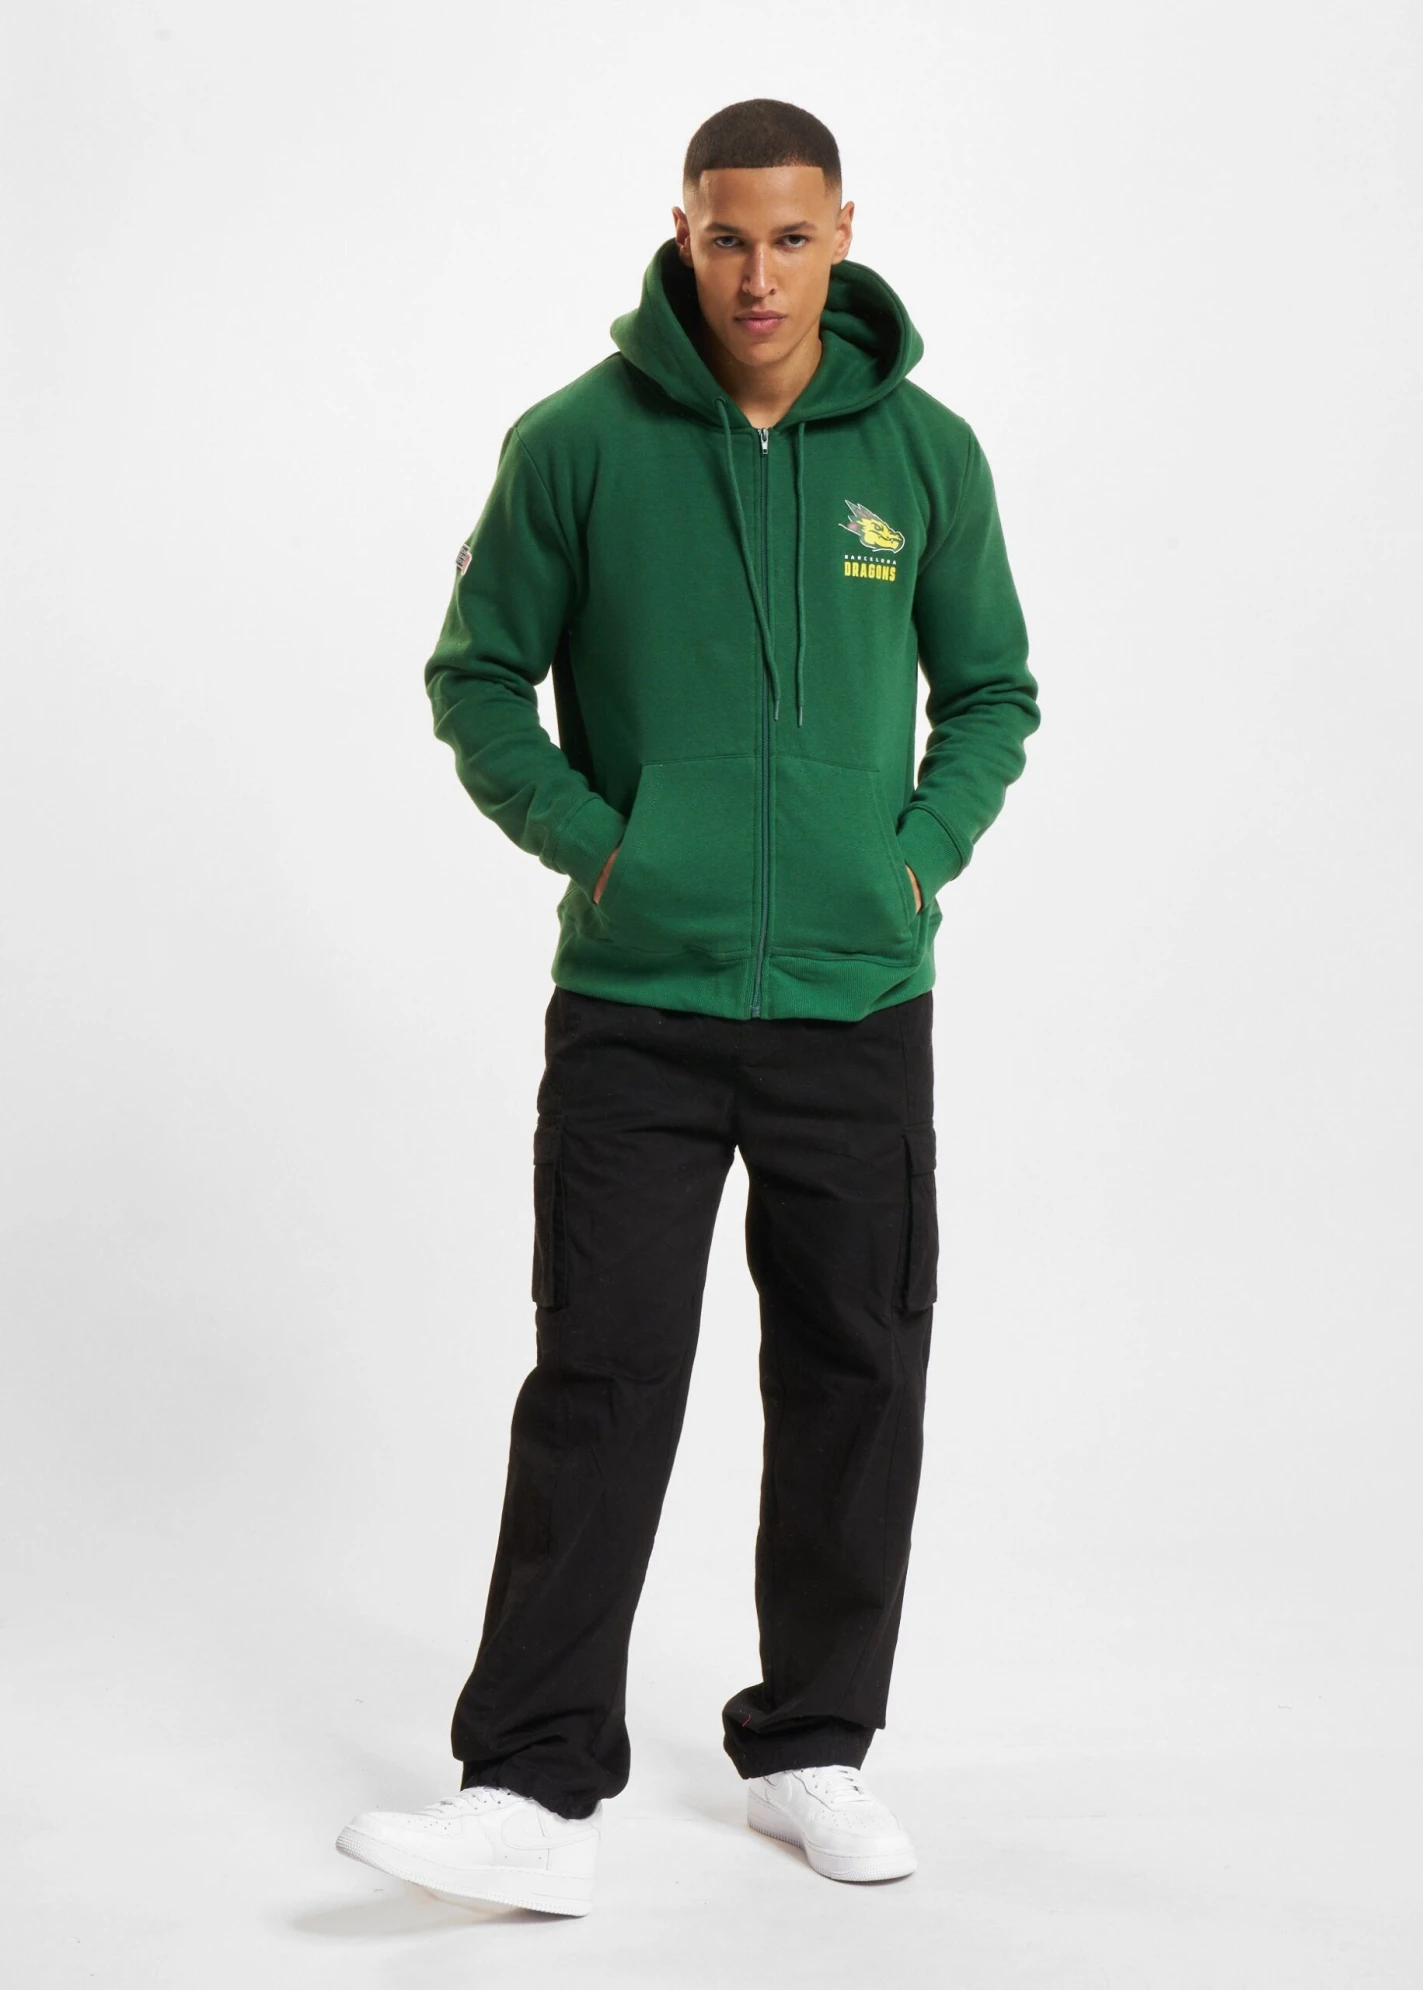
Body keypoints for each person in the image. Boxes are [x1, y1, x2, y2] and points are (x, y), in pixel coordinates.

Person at [335, 96, 1039, 1918]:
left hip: (856, 1003)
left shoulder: (927, 454)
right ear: (684, 232)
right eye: (729, 237)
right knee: (604, 1376)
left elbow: (993, 695)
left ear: (843, 232)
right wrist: (602, 850)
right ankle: (529, 1783)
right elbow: (478, 678)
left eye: (792, 238)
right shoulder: (577, 441)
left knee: (856, 1372)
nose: (758, 275)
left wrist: (911, 863)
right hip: (637, 1006)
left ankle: (814, 1746)